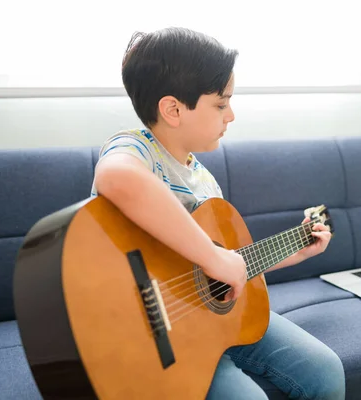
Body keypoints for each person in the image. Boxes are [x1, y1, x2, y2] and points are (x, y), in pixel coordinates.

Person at [90, 27, 346, 400]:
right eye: (221, 104)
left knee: (326, 371)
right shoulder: (134, 148)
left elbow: (224, 269)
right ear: (173, 109)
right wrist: (212, 256)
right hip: (151, 337)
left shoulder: (205, 181)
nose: (232, 116)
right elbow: (115, 178)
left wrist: (296, 252)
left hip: (208, 322)